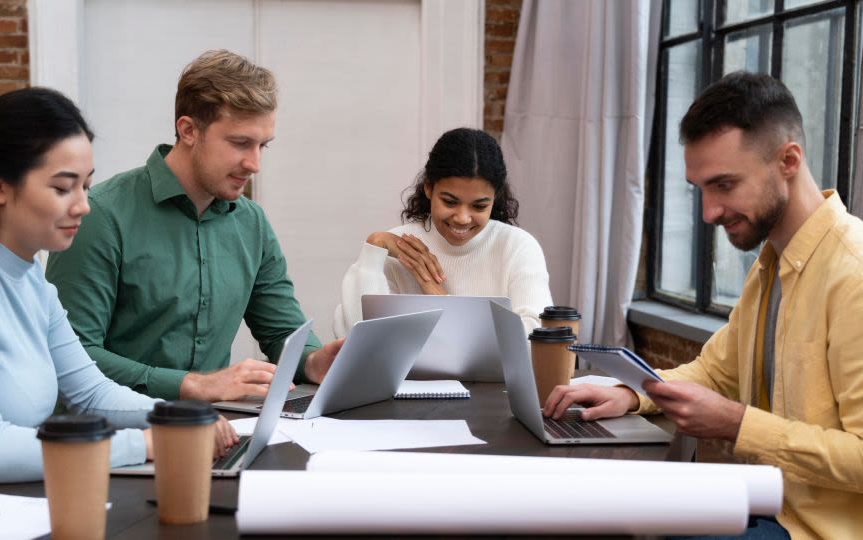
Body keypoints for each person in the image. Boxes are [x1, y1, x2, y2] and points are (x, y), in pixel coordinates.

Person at [544, 72, 863, 539]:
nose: (710, 212)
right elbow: (717, 372)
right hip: (765, 504)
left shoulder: (852, 274)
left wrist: (737, 424)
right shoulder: (771, 264)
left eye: (724, 185)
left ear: (788, 160)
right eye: (701, 190)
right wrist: (634, 393)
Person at [0, 88, 239, 513]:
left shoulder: (29, 277)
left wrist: (178, 418)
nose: (83, 206)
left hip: (0, 501)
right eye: (64, 188)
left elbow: (91, 393)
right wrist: (149, 443)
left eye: (86, 185)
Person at [45, 50, 343, 403]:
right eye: (239, 143)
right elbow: (69, 354)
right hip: (112, 433)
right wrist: (190, 384)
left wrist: (312, 361)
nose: (255, 163)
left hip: (214, 428)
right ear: (188, 130)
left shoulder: (252, 223)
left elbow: (281, 331)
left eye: (263, 145)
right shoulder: (101, 216)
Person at [333, 127, 553, 337]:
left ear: (495, 198)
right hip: (411, 378)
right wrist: (374, 248)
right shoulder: (399, 247)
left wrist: (441, 299)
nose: (462, 218)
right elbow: (355, 335)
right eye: (449, 202)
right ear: (428, 188)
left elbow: (537, 335)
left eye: (479, 206)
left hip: (495, 379)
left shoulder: (517, 247)